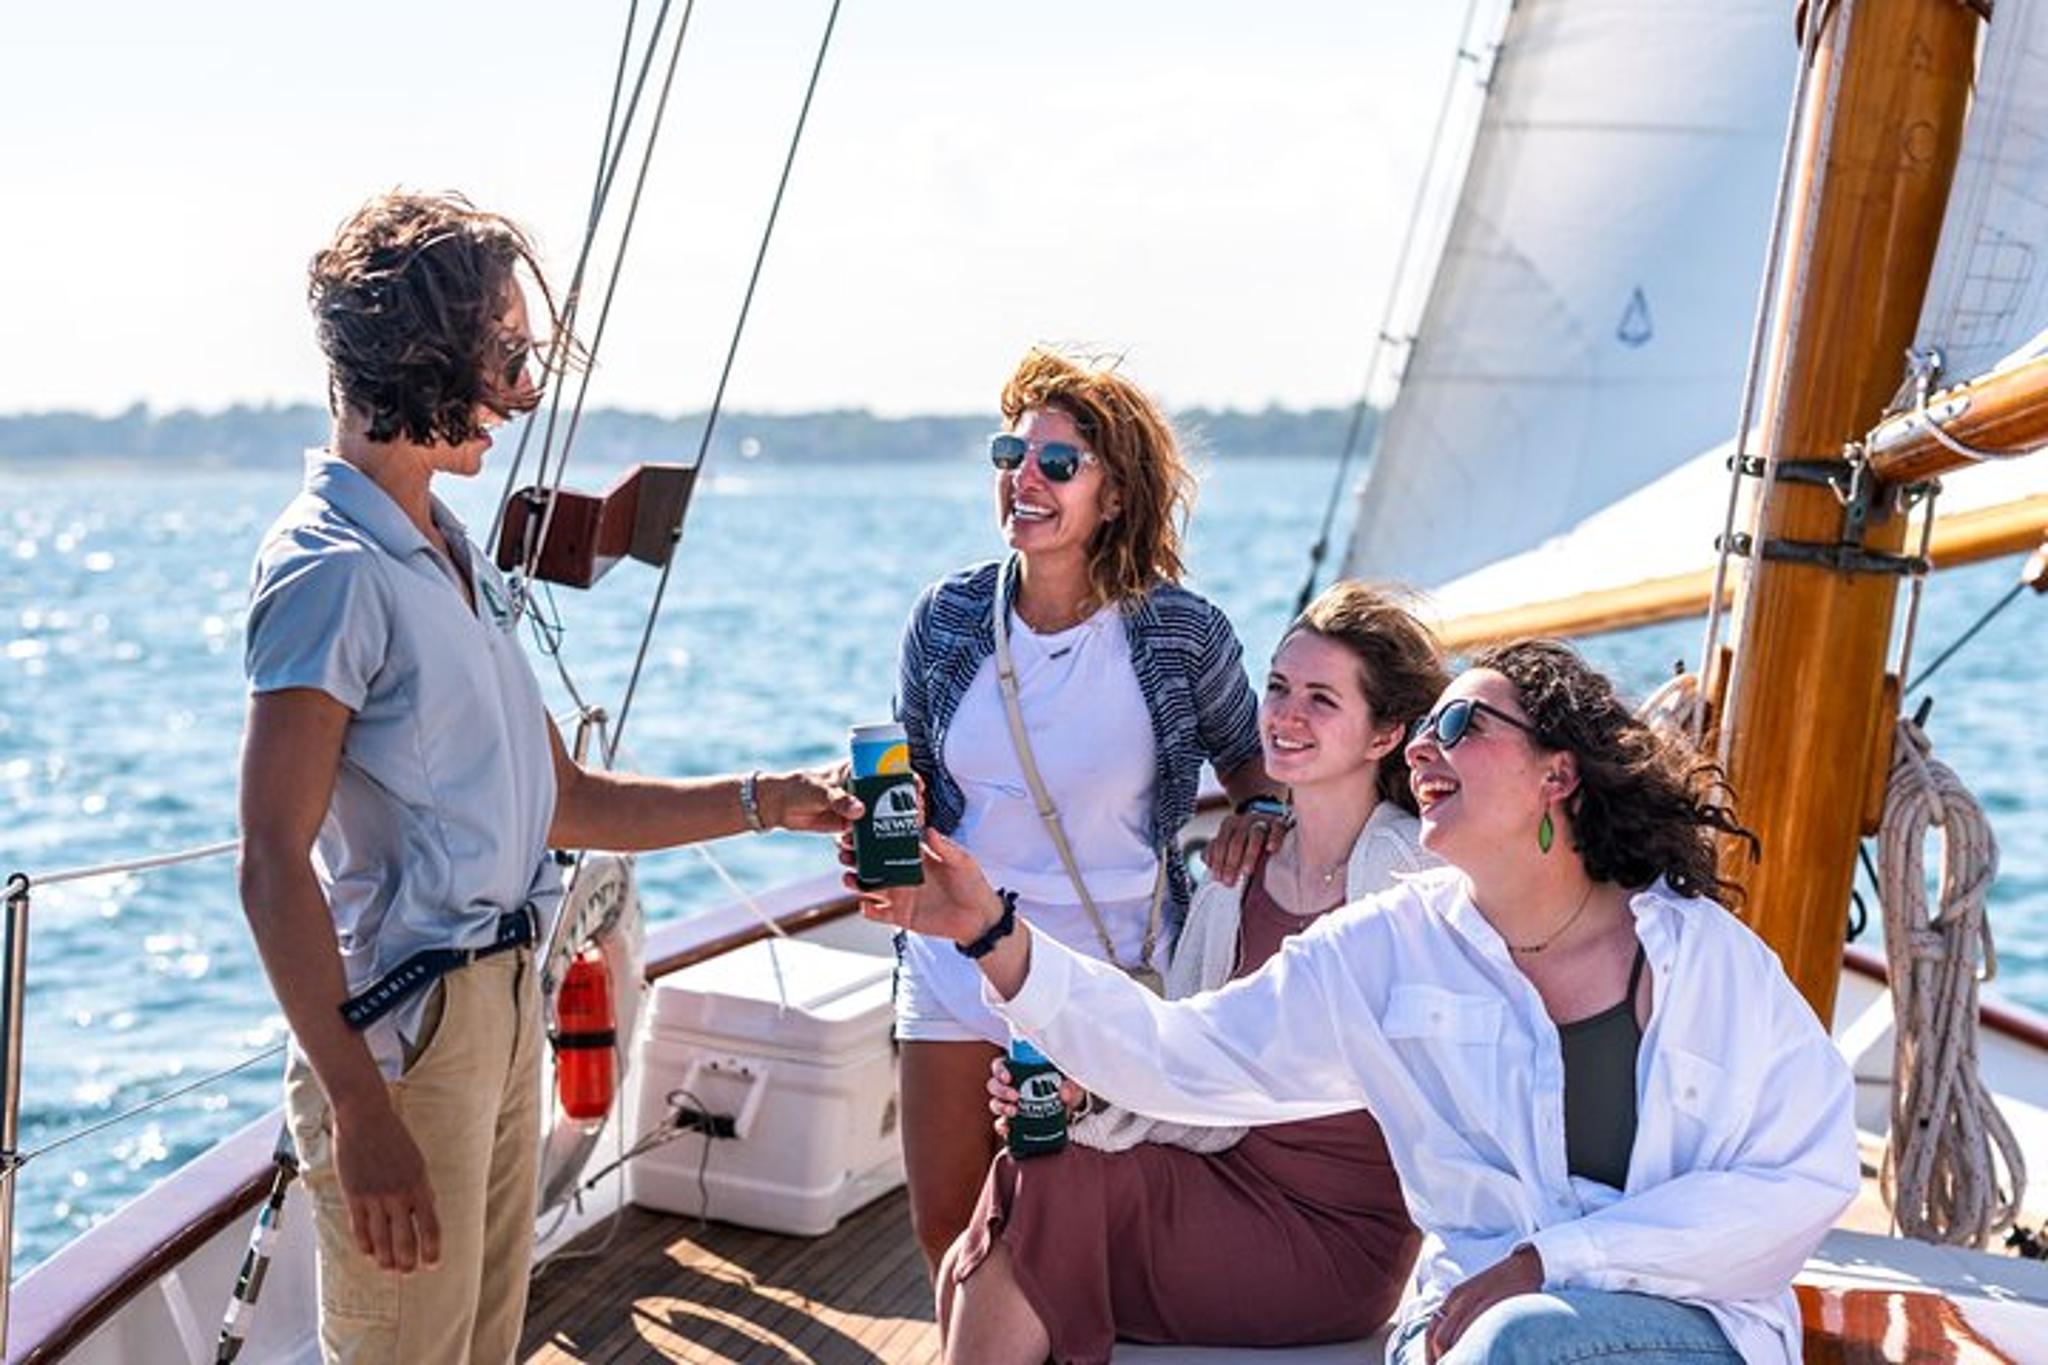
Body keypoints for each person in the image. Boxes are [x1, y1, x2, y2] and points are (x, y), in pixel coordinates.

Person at [237, 190, 857, 1364]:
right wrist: (361, 1112)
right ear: (418, 363)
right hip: (406, 1041)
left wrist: (768, 800)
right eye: (506, 356)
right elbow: (272, 866)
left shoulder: (445, 548)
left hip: (503, 1006)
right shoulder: (329, 570)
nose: (521, 394)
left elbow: (564, 797)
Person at [868, 639, 1860, 1365]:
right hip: (1463, 1332)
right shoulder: (1391, 947)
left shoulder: (1703, 965)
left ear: (1556, 774)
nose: (1423, 750)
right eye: (1421, 732)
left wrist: (1544, 1266)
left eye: (1461, 726)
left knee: (1515, 1343)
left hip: (1676, 1329)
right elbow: (1179, 1056)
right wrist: (988, 931)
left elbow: (1798, 1183)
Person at [936, 582, 1446, 1364]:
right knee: (1028, 1172)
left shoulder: (1410, 876)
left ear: (1385, 736)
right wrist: (1087, 1092)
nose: (1285, 714)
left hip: (1336, 1235)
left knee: (1030, 1203)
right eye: (1277, 687)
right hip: (1215, 1170)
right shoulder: (1237, 872)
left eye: (1321, 699)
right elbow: (1182, 1051)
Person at [889, 344, 1280, 1272]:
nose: (1025, 478)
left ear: (1113, 497)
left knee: (1069, 1246)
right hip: (956, 965)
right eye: (1010, 456)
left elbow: (1254, 766)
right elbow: (917, 773)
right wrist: (884, 806)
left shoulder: (1183, 633)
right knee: (950, 1232)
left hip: (1109, 974)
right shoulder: (946, 618)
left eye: (1057, 465)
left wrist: (1256, 819)